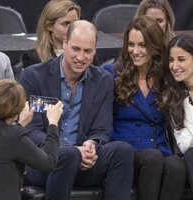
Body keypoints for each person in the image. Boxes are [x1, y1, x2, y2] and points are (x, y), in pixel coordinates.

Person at [19, 20, 134, 200]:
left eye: (87, 51)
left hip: (83, 163)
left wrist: (91, 145)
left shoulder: (103, 80)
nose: (81, 57)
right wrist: (69, 149)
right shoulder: (34, 76)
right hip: (42, 161)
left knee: (122, 150)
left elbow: (102, 130)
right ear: (64, 43)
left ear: (95, 50)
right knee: (69, 153)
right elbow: (30, 131)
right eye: (76, 49)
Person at [103, 16, 186, 200]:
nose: (135, 51)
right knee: (153, 158)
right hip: (127, 150)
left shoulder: (167, 76)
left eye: (142, 45)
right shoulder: (112, 73)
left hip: (158, 147)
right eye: (131, 44)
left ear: (155, 46)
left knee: (177, 166)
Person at [0, 79, 63, 200]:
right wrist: (53, 123)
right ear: (19, 108)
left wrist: (20, 125)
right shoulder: (14, 136)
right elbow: (49, 163)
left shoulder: (11, 134)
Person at [163, 33, 193, 192]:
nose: (174, 66)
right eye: (171, 60)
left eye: (181, 60)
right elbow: (184, 144)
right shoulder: (172, 97)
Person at [21, 0, 80, 68]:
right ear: (49, 26)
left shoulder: (87, 54)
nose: (72, 28)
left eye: (75, 23)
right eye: (66, 23)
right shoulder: (33, 57)